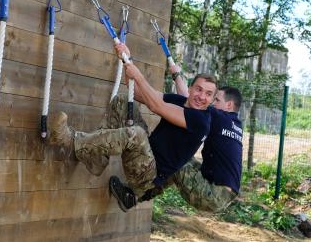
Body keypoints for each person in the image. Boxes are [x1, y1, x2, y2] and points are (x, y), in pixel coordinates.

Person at [49, 43, 217, 212]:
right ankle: (96, 160)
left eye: (208, 94)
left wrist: (137, 73)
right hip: (145, 154)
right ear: (190, 88)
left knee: (135, 134)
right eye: (199, 89)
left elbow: (156, 106)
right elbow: (135, 92)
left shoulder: (201, 121)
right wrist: (126, 60)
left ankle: (71, 140)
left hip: (148, 177)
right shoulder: (179, 101)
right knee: (123, 101)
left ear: (212, 100)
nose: (202, 96)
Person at [166, 64, 244, 212]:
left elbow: (189, 99)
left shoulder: (218, 117)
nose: (212, 103)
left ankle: (136, 194)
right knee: (184, 157)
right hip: (224, 193)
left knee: (173, 155)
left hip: (214, 194)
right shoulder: (236, 125)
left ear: (228, 105)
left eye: (217, 100)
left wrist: (176, 75)